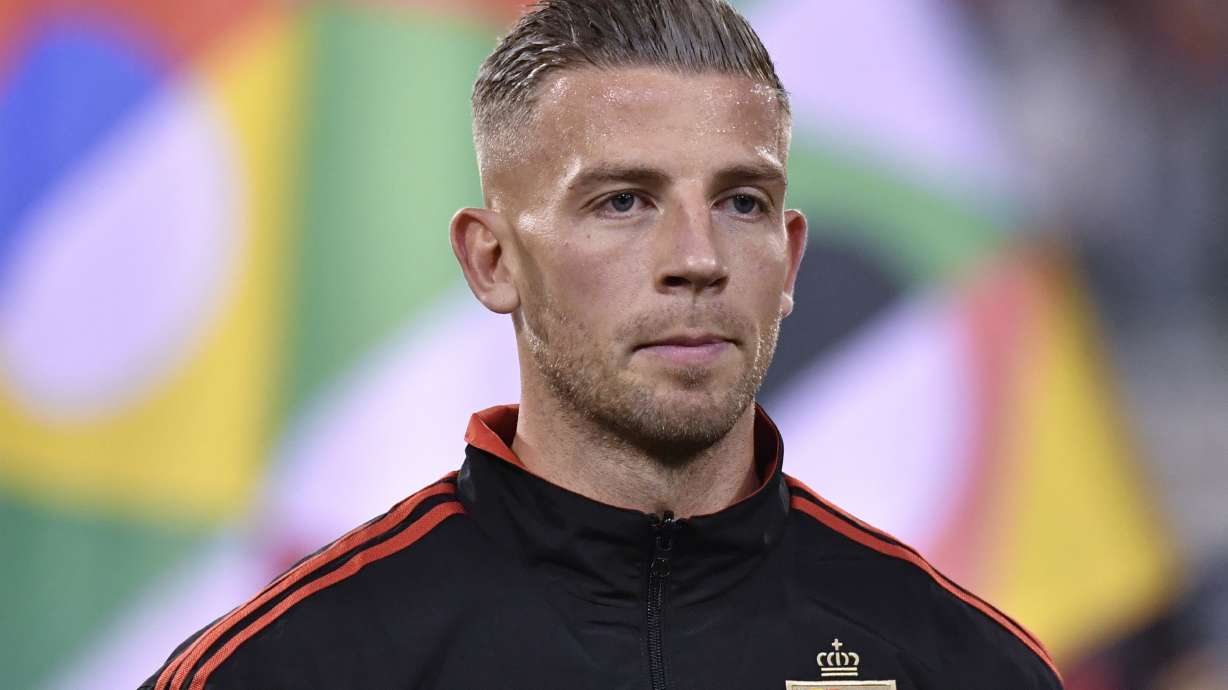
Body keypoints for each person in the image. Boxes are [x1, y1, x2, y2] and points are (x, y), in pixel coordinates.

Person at [142, 1, 1064, 688]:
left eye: (741, 202)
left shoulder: (966, 666)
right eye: (623, 202)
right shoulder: (287, 669)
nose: (697, 260)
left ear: (787, 263)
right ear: (492, 260)